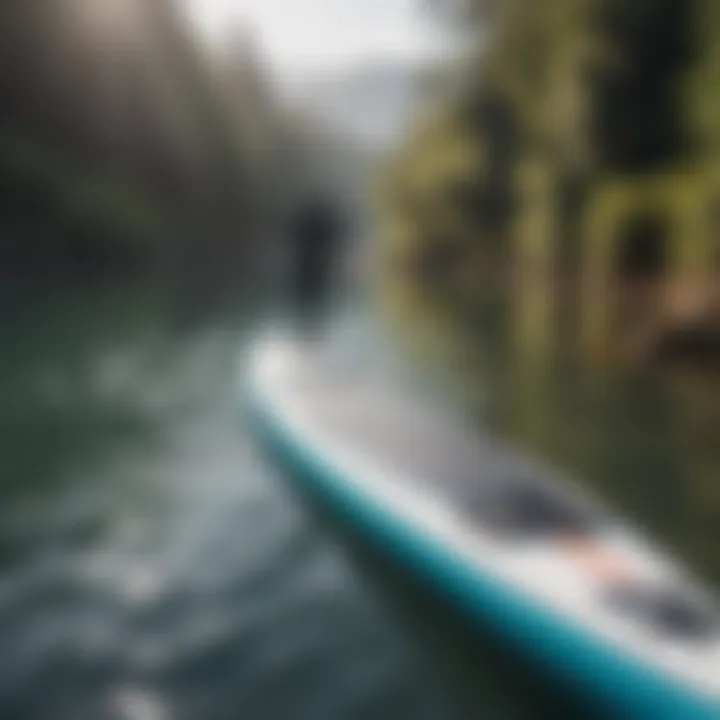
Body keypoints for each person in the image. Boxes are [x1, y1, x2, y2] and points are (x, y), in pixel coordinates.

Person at [289, 196, 344, 330]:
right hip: (317, 260)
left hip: (307, 260)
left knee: (309, 291)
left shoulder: (304, 217)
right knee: (316, 290)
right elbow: (332, 236)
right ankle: (311, 310)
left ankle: (307, 311)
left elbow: (293, 233)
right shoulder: (323, 218)